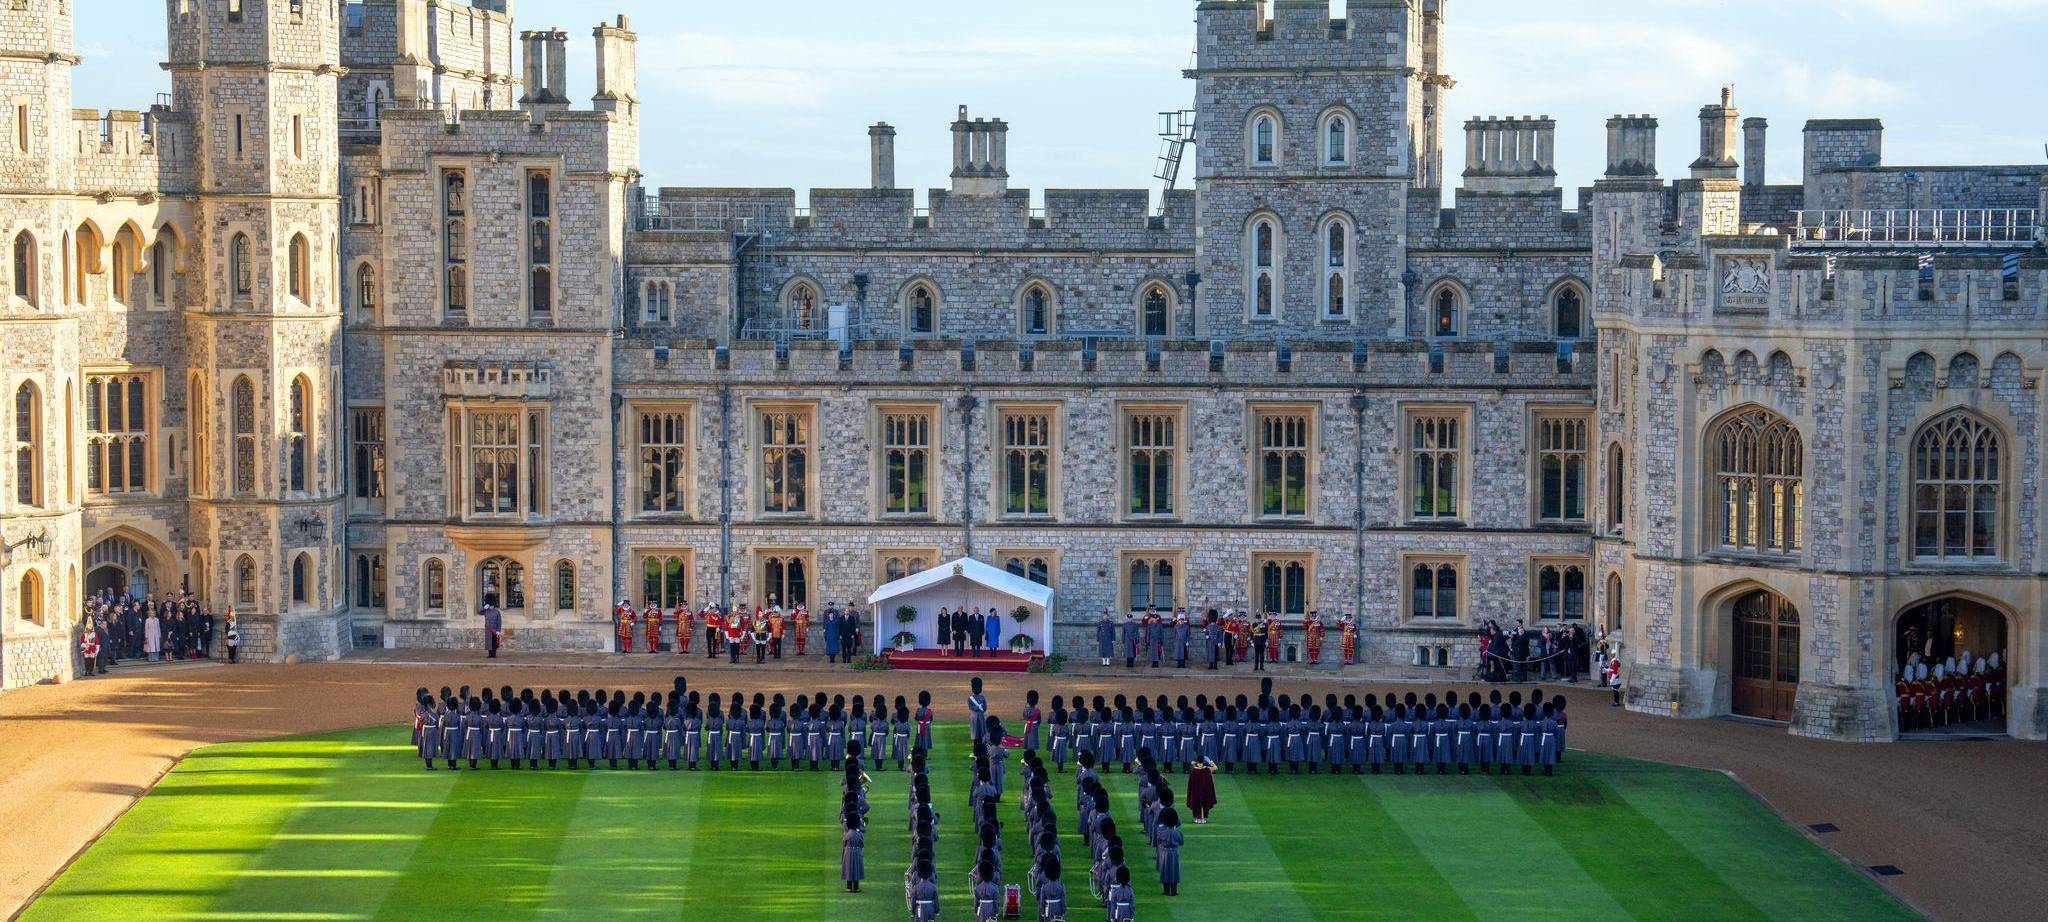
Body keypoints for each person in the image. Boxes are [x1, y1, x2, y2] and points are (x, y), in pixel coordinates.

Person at [1186, 756, 1217, 823]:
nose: (1200, 765)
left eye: (1201, 763)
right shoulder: (1194, 770)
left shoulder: (1206, 769)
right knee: (1196, 804)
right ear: (1197, 763)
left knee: (1204, 804)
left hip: (1204, 791)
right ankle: (1198, 818)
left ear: (1203, 763)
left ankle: (1203, 818)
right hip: (1196, 791)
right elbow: (1191, 783)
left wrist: (1211, 762)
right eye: (1199, 763)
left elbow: (1215, 768)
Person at [841, 813, 865, 892]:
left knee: (848, 868)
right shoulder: (859, 834)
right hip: (857, 851)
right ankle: (855, 887)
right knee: (856, 868)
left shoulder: (847, 834)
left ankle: (849, 887)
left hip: (848, 851)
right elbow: (862, 844)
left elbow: (844, 844)